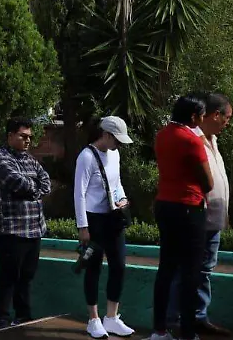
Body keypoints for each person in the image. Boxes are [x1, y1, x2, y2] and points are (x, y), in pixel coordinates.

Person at [167, 93, 233, 336]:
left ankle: (198, 316)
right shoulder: (191, 138)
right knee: (185, 271)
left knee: (205, 269)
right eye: (226, 118)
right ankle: (174, 319)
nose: (228, 124)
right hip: (195, 217)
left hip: (213, 219)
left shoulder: (212, 139)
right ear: (214, 115)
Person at [151, 95, 214, 340]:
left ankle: (160, 329)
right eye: (201, 114)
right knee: (191, 271)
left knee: (166, 267)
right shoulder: (192, 140)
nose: (202, 119)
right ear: (193, 116)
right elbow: (207, 182)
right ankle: (187, 333)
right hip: (189, 208)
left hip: (165, 205)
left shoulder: (163, 134)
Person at [73, 116, 136, 338]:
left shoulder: (115, 154)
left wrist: (123, 199)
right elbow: (79, 194)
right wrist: (83, 226)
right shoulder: (86, 157)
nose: (118, 145)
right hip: (94, 219)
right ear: (106, 135)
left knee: (119, 265)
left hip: (113, 217)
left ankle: (112, 317)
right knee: (93, 267)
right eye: (116, 139)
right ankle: (93, 319)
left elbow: (116, 182)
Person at [0, 118, 51, 330]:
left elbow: (46, 182)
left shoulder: (30, 160)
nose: (27, 141)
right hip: (11, 229)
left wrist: (33, 188)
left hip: (34, 229)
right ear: (10, 136)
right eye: (23, 136)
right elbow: (17, 183)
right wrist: (34, 189)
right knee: (9, 275)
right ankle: (1, 319)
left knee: (27, 275)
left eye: (30, 137)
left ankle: (23, 315)